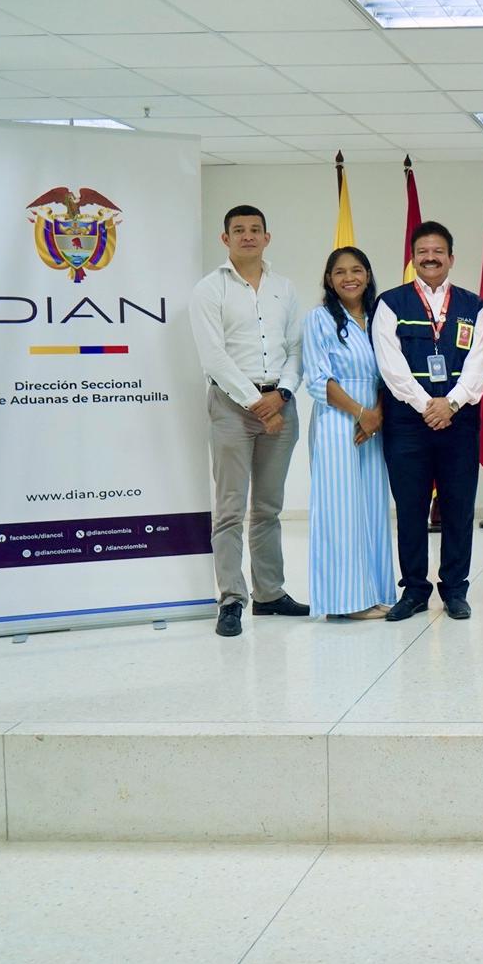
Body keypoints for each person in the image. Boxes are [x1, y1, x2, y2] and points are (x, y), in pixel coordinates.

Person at [190, 204, 308, 638]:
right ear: (225, 239)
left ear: (267, 237)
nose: (247, 236)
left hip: (281, 401)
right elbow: (213, 356)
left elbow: (296, 347)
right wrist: (255, 403)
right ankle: (232, 599)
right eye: (238, 230)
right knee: (230, 509)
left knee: (268, 509)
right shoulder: (209, 289)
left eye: (255, 229)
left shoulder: (284, 288)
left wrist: (282, 395)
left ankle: (270, 593)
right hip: (231, 407)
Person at [373, 220, 483, 621]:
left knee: (458, 508)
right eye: (422, 251)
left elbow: (479, 366)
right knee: (410, 508)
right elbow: (391, 366)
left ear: (451, 258)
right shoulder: (391, 303)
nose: (430, 257)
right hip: (408, 423)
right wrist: (428, 404)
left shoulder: (474, 306)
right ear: (412, 257)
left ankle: (455, 590)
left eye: (438, 251)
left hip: (459, 422)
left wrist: (451, 404)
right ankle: (416, 591)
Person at [302, 247, 395, 620]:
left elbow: (391, 373)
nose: (349, 277)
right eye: (339, 272)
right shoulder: (319, 319)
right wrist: (360, 413)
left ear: (368, 275)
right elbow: (317, 379)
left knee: (372, 508)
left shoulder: (379, 319)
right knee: (340, 511)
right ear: (328, 279)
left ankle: (372, 592)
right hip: (337, 422)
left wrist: (377, 415)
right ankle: (345, 602)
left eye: (357, 270)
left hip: (375, 422)